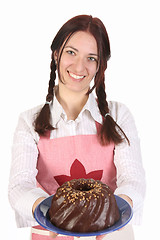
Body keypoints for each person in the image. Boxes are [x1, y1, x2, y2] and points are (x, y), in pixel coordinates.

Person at [8, 15, 145, 240]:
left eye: (91, 58)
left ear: (100, 65)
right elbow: (19, 186)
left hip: (111, 232)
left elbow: (133, 180)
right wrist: (57, 215)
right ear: (56, 54)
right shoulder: (29, 121)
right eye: (71, 52)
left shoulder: (119, 115)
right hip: (51, 232)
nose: (79, 66)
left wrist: (113, 213)